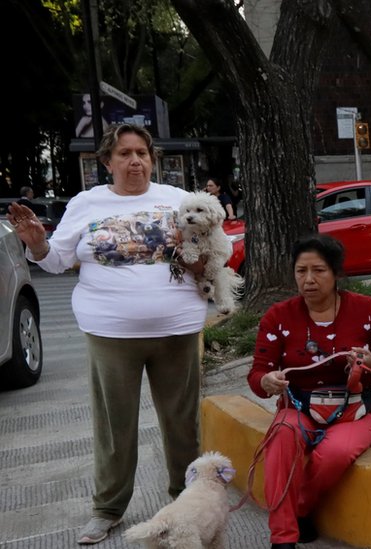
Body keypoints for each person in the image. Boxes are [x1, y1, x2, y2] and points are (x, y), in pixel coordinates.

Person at [5, 124, 208, 545]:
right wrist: (38, 244)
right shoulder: (86, 202)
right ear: (107, 161)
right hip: (111, 332)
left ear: (152, 159)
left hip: (178, 328)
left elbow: (206, 254)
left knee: (182, 422)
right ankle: (108, 508)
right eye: (124, 153)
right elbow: (56, 261)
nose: (135, 160)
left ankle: (187, 500)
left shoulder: (177, 200)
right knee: (114, 426)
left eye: (142, 153)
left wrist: (201, 262)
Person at [247, 234, 371, 549]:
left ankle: (301, 509)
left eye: (319, 270)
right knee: (280, 444)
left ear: (336, 273)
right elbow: (257, 372)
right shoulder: (279, 316)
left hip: (354, 412)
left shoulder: (365, 310)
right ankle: (283, 538)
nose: (309, 279)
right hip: (298, 408)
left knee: (335, 455)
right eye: (301, 271)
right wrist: (266, 381)